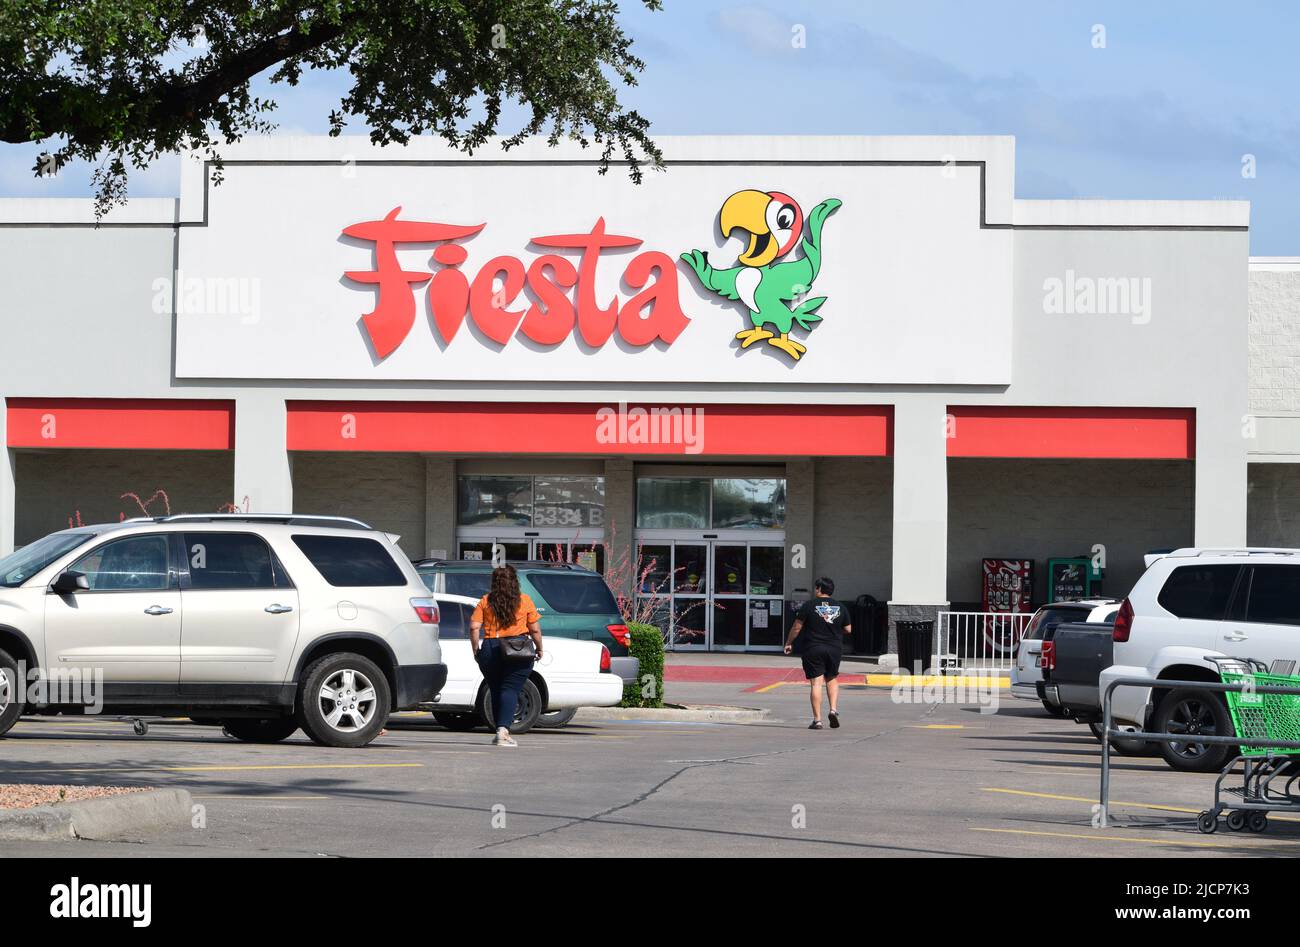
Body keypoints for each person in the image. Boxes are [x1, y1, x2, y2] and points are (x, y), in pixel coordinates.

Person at [469, 565, 543, 747]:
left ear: (494, 582)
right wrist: (540, 648)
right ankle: (503, 732)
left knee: (495, 689)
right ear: (514, 582)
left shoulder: (486, 601)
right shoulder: (524, 600)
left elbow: (474, 627)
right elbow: (534, 629)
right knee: (510, 689)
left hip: (490, 647)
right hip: (517, 649)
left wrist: (476, 649)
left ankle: (498, 730)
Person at [783, 576, 852, 730]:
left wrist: (789, 643)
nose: (815, 590)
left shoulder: (809, 605)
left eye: (816, 587)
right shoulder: (841, 607)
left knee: (816, 683)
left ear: (820, 589)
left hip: (813, 648)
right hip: (834, 648)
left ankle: (817, 720)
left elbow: (797, 627)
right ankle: (833, 710)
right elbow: (848, 629)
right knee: (832, 678)